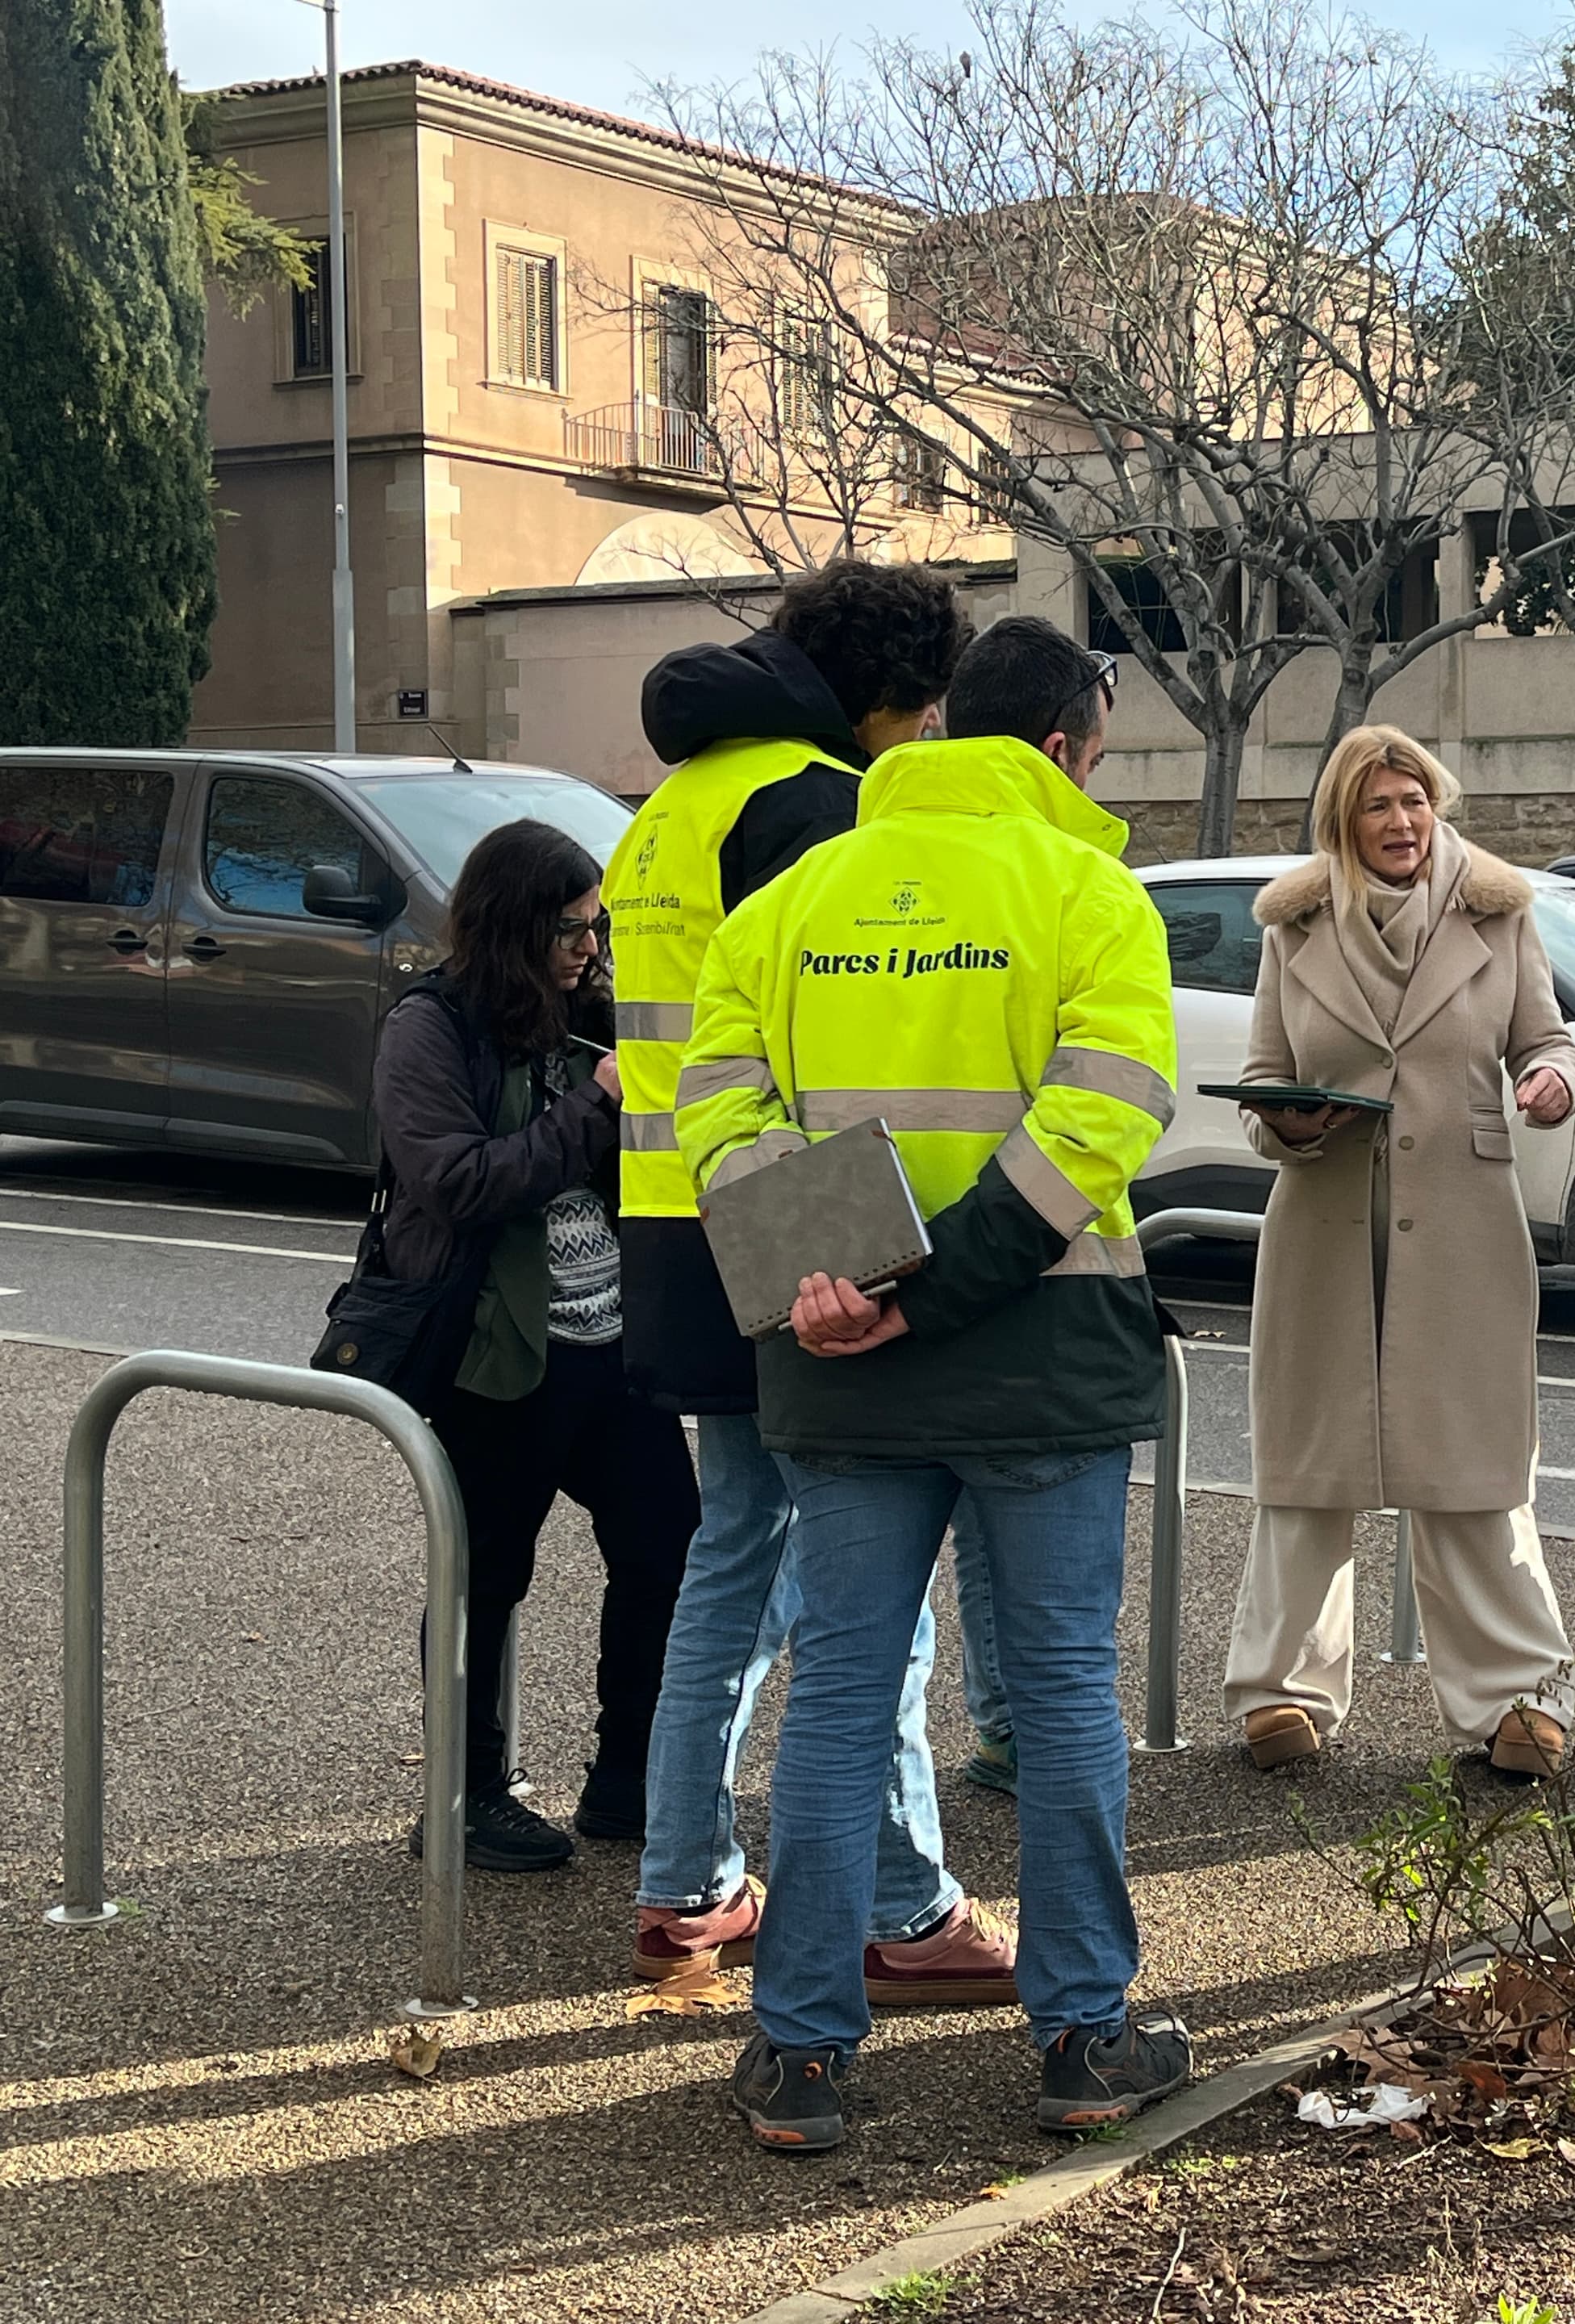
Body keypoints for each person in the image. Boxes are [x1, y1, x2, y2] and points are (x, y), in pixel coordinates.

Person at [679, 612, 1189, 2154]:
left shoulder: (790, 898)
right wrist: (946, 1283)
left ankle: (803, 2055)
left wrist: (830, 1281)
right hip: (1039, 1358)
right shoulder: (1091, 893)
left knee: (836, 1698)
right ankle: (1083, 2036)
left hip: (837, 1367)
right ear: (1067, 741)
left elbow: (713, 1107)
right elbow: (1106, 1113)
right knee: (1056, 1696)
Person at [612, 560, 1016, 2007]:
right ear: (896, 705)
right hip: (786, 1219)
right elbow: (827, 1040)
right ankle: (906, 1898)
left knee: (735, 1553)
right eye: (923, 717)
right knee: (871, 1568)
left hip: (670, 1212)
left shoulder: (676, 802)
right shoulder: (809, 803)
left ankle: (688, 1878)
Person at [1219, 726, 1575, 1780]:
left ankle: (1519, 1694)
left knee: (1471, 1465)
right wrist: (1284, 1125)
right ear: (1344, 820)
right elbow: (1262, 1082)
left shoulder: (1500, 914)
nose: (1402, 824)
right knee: (1309, 1468)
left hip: (1465, 1222)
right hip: (1325, 1221)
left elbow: (1547, 1041)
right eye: (1379, 807)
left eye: (1416, 803)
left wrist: (1554, 1082)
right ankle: (1280, 1689)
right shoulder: (1292, 927)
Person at [370, 819, 698, 1871]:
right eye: (571, 930)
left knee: (669, 1545)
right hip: (495, 1352)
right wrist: (588, 1111)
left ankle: (629, 1778)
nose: (589, 949)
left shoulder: (587, 1015)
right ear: (514, 925)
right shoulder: (430, 1029)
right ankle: (463, 1800)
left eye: (596, 930)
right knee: (484, 1575)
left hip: (611, 1348)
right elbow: (458, 1181)